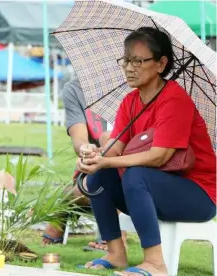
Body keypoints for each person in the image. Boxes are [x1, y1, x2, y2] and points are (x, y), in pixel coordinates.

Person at [78, 27, 216, 275]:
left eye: (138, 61)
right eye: (126, 60)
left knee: (134, 173)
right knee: (99, 177)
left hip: (198, 195)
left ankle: (155, 263)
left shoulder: (175, 100)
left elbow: (159, 156)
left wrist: (107, 162)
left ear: (161, 63)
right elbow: (114, 148)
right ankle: (116, 253)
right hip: (155, 188)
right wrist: (94, 156)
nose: (130, 68)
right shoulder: (130, 101)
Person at [42, 78, 127, 252]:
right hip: (94, 166)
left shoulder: (136, 87)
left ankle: (114, 237)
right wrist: (85, 148)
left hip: (130, 165)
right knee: (90, 186)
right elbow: (78, 138)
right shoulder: (75, 89)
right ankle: (62, 206)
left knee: (115, 178)